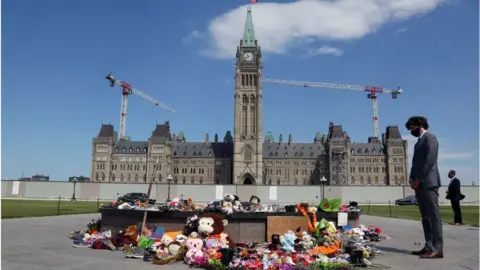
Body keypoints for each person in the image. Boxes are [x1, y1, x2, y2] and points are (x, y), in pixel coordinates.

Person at [406, 116, 443, 259]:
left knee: (434, 217)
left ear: (419, 125)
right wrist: (412, 179)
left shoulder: (430, 138)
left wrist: (419, 179)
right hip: (419, 184)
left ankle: (437, 249)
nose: (411, 131)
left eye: (412, 128)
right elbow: (416, 163)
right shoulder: (419, 141)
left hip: (428, 182)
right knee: (425, 217)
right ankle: (428, 246)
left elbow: (429, 160)